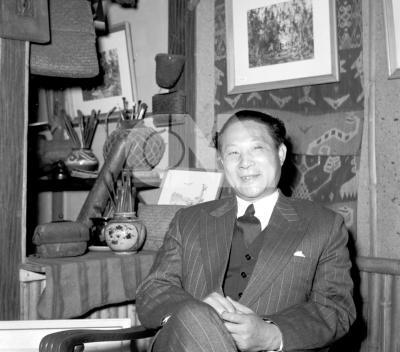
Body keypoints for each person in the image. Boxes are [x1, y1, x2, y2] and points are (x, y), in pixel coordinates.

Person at [136, 109, 356, 352]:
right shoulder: (188, 220)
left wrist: (270, 334)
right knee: (195, 315)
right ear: (221, 162)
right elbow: (153, 290)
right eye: (233, 153)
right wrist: (193, 315)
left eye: (257, 148)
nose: (245, 163)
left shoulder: (324, 225)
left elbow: (336, 309)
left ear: (280, 154)